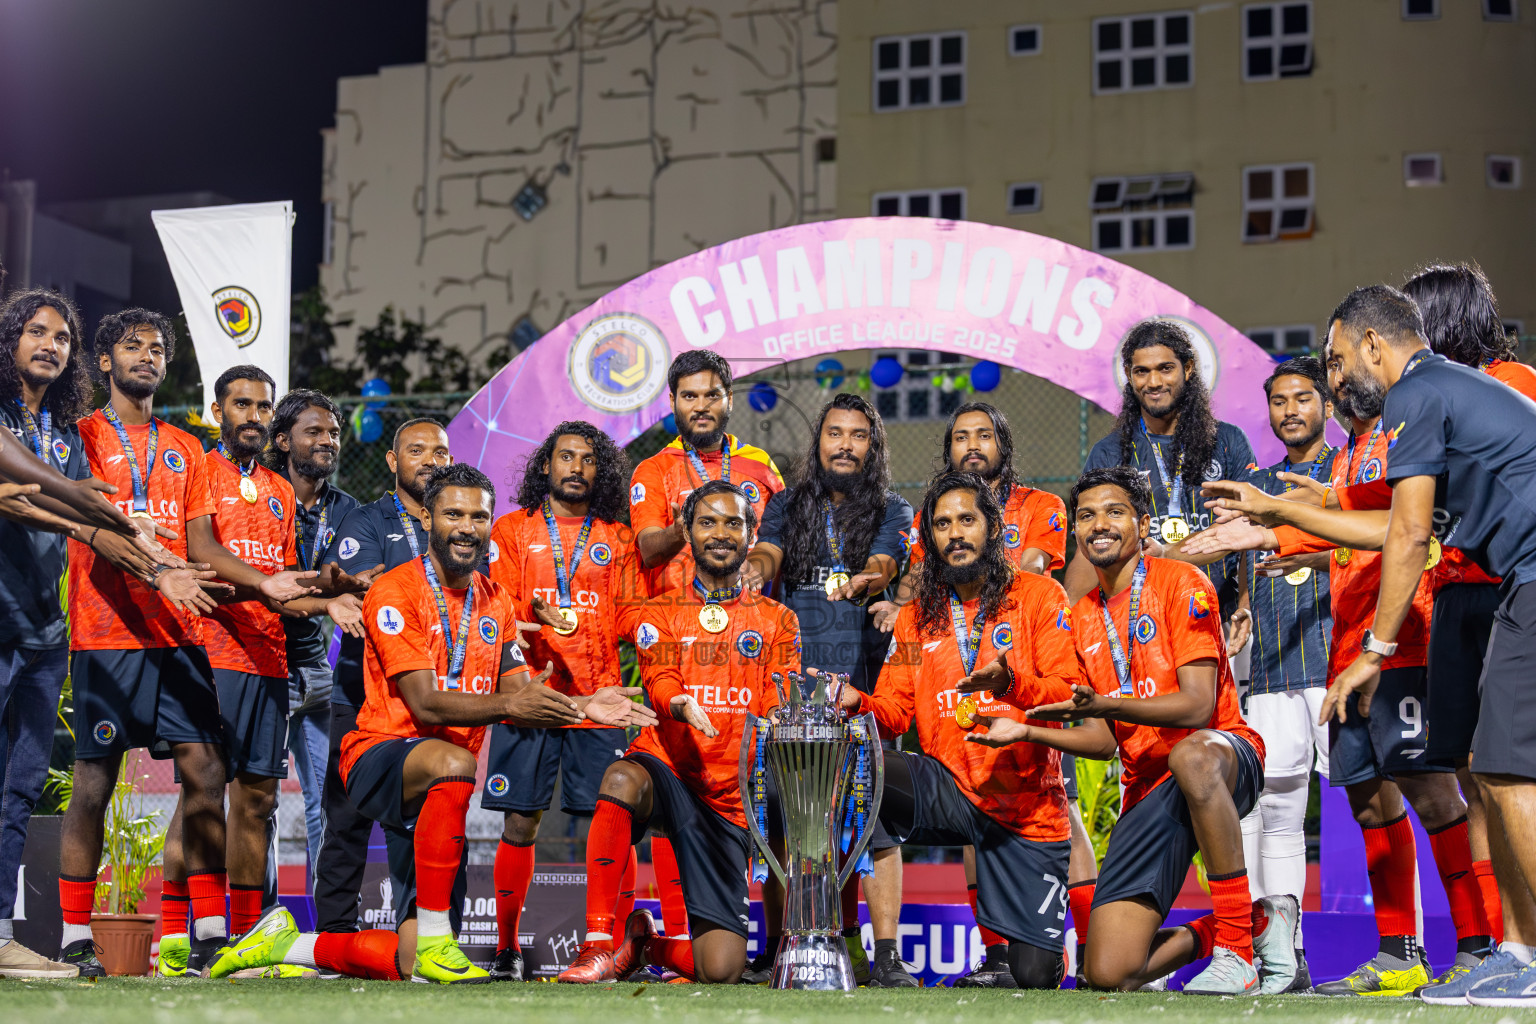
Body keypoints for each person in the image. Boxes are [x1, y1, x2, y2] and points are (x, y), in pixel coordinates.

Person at [205, 464, 656, 983]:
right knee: (456, 760)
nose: (467, 526)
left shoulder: (496, 601)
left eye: (479, 516)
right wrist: (514, 707)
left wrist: (581, 706)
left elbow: (517, 691)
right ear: (427, 519)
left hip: (444, 784)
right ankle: (441, 938)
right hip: (381, 753)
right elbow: (425, 705)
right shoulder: (394, 591)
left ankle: (293, 944)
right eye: (453, 514)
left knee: (410, 963)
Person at [1212, 284, 1536, 1007]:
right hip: (1513, 583)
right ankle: (1515, 952)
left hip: (1513, 584)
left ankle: (1522, 954)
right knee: (1493, 772)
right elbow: (1393, 518)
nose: (1333, 378)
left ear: (1373, 344)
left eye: (1334, 359)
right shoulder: (1428, 402)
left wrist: (1377, 649)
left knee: (1505, 775)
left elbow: (1408, 535)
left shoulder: (1420, 396)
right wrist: (1295, 507)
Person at [60, 309, 315, 976]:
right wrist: (154, 569)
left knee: (205, 773)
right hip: (106, 633)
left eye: (156, 348)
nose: (146, 356)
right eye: (131, 347)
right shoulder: (80, 436)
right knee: (93, 782)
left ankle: (205, 930)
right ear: (106, 362)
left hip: (179, 636)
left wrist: (270, 585)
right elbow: (78, 521)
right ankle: (71, 936)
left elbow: (201, 543)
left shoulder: (186, 449)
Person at [1025, 466, 1295, 995]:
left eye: (1114, 511)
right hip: (1148, 785)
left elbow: (1197, 707)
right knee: (1108, 972)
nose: (1099, 524)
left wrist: (1106, 701)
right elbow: (1106, 741)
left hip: (1224, 755)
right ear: (1076, 534)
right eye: (1086, 516)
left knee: (1190, 758)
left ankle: (1237, 954)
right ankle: (1259, 922)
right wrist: (1029, 729)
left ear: (1143, 523)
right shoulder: (1080, 616)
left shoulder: (1183, 582)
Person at [873, 400, 1089, 987]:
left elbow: (1069, 693)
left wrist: (1010, 682)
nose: (954, 534)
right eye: (942, 525)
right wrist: (855, 704)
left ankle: (1063, 947)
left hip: (1025, 805)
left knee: (1036, 977)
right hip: (950, 786)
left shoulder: (1039, 596)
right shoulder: (920, 616)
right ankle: (878, 958)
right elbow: (892, 708)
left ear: (992, 528)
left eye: (966, 521)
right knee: (857, 769)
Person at [560, 480, 799, 985]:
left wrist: (780, 720)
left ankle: (647, 944)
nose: (720, 533)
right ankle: (597, 944)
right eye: (707, 522)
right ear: (687, 534)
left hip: (730, 799)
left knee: (722, 971)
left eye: (733, 523)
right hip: (669, 769)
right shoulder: (660, 612)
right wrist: (676, 702)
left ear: (751, 534)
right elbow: (660, 676)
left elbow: (780, 697)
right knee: (622, 777)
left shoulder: (780, 621)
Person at [0, 289, 163, 979]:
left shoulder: (65, 434)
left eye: (62, 337)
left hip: (43, 630)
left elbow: (54, 503)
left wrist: (136, 536)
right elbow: (30, 494)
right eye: (36, 331)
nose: (51, 344)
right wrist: (78, 511)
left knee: (18, 787)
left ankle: (3, 937)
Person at [744, 393, 912, 987]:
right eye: (835, 433)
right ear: (819, 441)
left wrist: (871, 576)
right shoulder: (788, 504)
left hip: (858, 692)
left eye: (858, 435)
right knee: (787, 824)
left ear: (874, 446)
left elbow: (886, 563)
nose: (845, 444)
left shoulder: (892, 507)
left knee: (873, 822)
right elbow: (767, 551)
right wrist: (758, 570)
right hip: (790, 694)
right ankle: (784, 946)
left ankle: (885, 957)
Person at [628, 351, 783, 941]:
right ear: (672, 402)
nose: (701, 406)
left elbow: (776, 542)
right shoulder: (652, 470)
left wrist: (759, 554)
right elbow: (645, 549)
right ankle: (671, 928)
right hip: (673, 639)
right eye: (689, 396)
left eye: (711, 395)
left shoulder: (760, 465)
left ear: (728, 399)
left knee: (743, 782)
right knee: (674, 779)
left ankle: (699, 938)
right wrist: (701, 518)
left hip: (743, 645)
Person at [484, 422, 641, 981]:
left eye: (588, 459)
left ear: (602, 471)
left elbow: (630, 618)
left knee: (608, 824)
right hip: (528, 698)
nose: (576, 467)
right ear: (546, 466)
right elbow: (498, 607)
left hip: (596, 703)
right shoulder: (510, 529)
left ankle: (612, 947)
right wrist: (531, 610)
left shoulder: (618, 538)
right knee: (521, 823)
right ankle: (506, 949)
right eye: (566, 456)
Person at [312, 417, 451, 935]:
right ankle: (333, 937)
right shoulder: (368, 520)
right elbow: (356, 584)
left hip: (431, 696)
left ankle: (424, 935)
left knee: (421, 824)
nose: (431, 461)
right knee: (347, 820)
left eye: (440, 452)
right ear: (394, 462)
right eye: (417, 451)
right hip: (362, 695)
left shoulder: (456, 522)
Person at [1236, 356, 1337, 992]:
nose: (1290, 411)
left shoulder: (1350, 473)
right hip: (1272, 668)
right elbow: (1238, 563)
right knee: (1276, 810)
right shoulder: (1256, 483)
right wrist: (1243, 603)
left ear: (1326, 404)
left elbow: (1380, 539)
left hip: (1341, 661)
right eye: (1279, 401)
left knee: (1383, 797)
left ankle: (1415, 944)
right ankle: (1284, 955)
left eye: (1303, 398)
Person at [1066, 320, 1256, 624]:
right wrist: (1068, 619)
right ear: (1129, 375)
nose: (1153, 382)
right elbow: (1088, 551)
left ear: (1188, 368)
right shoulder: (1109, 453)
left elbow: (1248, 533)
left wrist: (1246, 604)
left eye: (1165, 368)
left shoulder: (1228, 442)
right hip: (1138, 625)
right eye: (1141, 371)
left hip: (1220, 616)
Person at [265, 390, 362, 883]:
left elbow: (358, 578)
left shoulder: (348, 509)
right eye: (314, 431)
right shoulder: (259, 495)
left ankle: (328, 927)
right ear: (282, 440)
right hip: (257, 667)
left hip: (314, 667)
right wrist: (325, 584)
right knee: (259, 800)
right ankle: (257, 922)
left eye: (333, 433)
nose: (327, 441)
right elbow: (271, 585)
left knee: (325, 797)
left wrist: (326, 583)